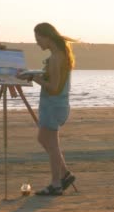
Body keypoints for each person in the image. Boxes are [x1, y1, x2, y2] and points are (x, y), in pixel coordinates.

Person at [17, 22, 77, 196]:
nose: (37, 43)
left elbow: (53, 87)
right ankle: (65, 175)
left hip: (53, 105)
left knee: (50, 144)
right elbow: (55, 81)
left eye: (38, 39)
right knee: (46, 141)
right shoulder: (60, 55)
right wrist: (36, 74)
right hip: (57, 104)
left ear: (47, 37)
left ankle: (56, 183)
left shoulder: (56, 58)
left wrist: (34, 77)